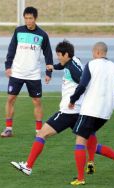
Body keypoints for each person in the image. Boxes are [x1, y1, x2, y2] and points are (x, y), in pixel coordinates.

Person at [10, 40, 83, 175]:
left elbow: (83, 83)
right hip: (79, 112)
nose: (57, 57)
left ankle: (28, 166)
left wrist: (73, 99)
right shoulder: (74, 61)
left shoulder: (72, 69)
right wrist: (53, 67)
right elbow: (64, 66)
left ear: (66, 54)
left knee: (41, 134)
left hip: (68, 112)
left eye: (59, 55)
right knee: (89, 144)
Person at [69, 42, 114, 185]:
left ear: (97, 52)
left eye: (93, 52)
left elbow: (82, 85)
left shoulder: (91, 65)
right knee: (90, 136)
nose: (92, 55)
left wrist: (72, 99)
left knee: (80, 141)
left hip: (90, 109)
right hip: (105, 112)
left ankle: (80, 179)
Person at [1, 6, 53, 137]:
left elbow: (48, 55)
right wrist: (8, 66)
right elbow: (11, 49)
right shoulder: (18, 31)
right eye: (26, 18)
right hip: (17, 73)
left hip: (33, 74)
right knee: (11, 99)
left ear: (35, 18)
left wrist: (48, 73)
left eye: (30, 18)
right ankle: (8, 129)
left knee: (37, 101)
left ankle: (39, 131)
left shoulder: (42, 35)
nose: (28, 21)